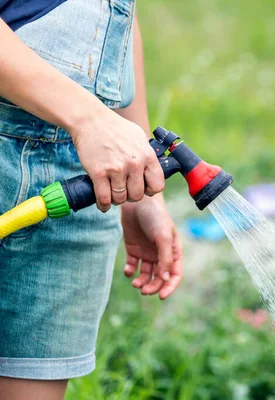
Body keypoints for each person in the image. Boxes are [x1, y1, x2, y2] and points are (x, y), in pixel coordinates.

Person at [0, 1, 183, 399]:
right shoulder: (88, 121)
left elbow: (117, 15)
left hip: (82, 171)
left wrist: (137, 176)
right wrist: (90, 120)